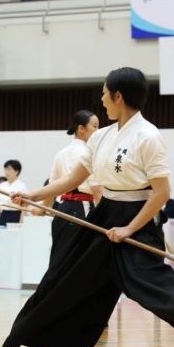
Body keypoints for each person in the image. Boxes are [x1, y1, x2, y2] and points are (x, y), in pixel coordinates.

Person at [3, 67, 174, 347]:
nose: (102, 99)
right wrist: (34, 195)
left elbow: (161, 192)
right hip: (105, 212)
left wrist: (129, 228)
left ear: (118, 96)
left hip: (137, 218)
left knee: (151, 286)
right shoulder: (102, 136)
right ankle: (62, 345)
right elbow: (73, 178)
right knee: (67, 275)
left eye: (105, 93)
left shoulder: (148, 136)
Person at [34, 110, 102, 269]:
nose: (98, 131)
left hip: (63, 212)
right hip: (83, 210)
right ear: (81, 129)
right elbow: (97, 190)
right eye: (95, 126)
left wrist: (43, 209)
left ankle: (52, 292)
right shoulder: (89, 153)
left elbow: (51, 188)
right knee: (81, 264)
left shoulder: (61, 154)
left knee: (59, 259)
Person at [0, 160, 27, 226]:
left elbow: (24, 208)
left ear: (16, 171)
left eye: (9, 169)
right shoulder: (1, 186)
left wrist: (21, 223)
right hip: (3, 215)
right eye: (5, 169)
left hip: (16, 216)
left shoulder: (22, 186)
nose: (6, 172)